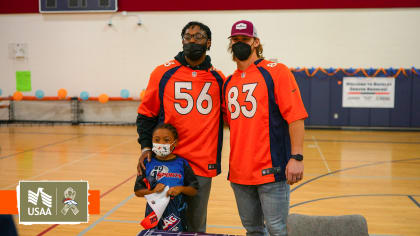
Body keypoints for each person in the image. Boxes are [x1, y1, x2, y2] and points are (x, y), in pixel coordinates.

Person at [136, 21, 225, 232]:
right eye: (188, 37)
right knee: (162, 222)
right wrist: (146, 148)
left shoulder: (219, 79)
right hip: (167, 162)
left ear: (209, 43)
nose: (192, 40)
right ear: (182, 41)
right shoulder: (162, 73)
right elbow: (146, 114)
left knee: (195, 224)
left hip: (202, 165)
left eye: (199, 36)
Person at [223, 20, 308, 236]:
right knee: (252, 231)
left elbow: (296, 117)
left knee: (277, 230)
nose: (239, 43)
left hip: (272, 171)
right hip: (239, 174)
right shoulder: (228, 82)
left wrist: (296, 157)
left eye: (245, 39)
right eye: (235, 39)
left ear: (256, 42)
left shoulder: (276, 71)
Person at [134, 123, 199, 232]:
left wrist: (181, 189)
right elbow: (137, 191)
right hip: (154, 213)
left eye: (166, 140)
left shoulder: (182, 163)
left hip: (177, 214)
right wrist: (153, 191)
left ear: (175, 142)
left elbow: (194, 190)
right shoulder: (147, 163)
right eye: (157, 140)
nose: (161, 144)